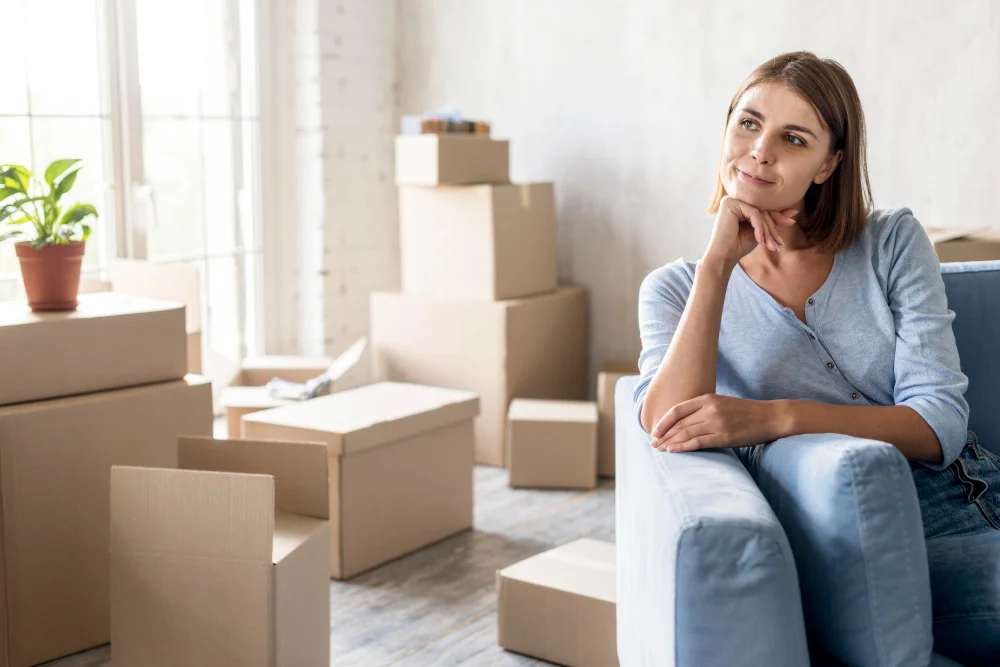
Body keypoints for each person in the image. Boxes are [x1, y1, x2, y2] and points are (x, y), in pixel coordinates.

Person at [632, 51, 999, 663]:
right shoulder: (675, 289)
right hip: (860, 534)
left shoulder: (890, 241)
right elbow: (665, 424)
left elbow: (939, 422)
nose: (760, 151)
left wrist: (776, 416)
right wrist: (719, 264)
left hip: (972, 492)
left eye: (792, 138)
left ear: (829, 163)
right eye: (747, 123)